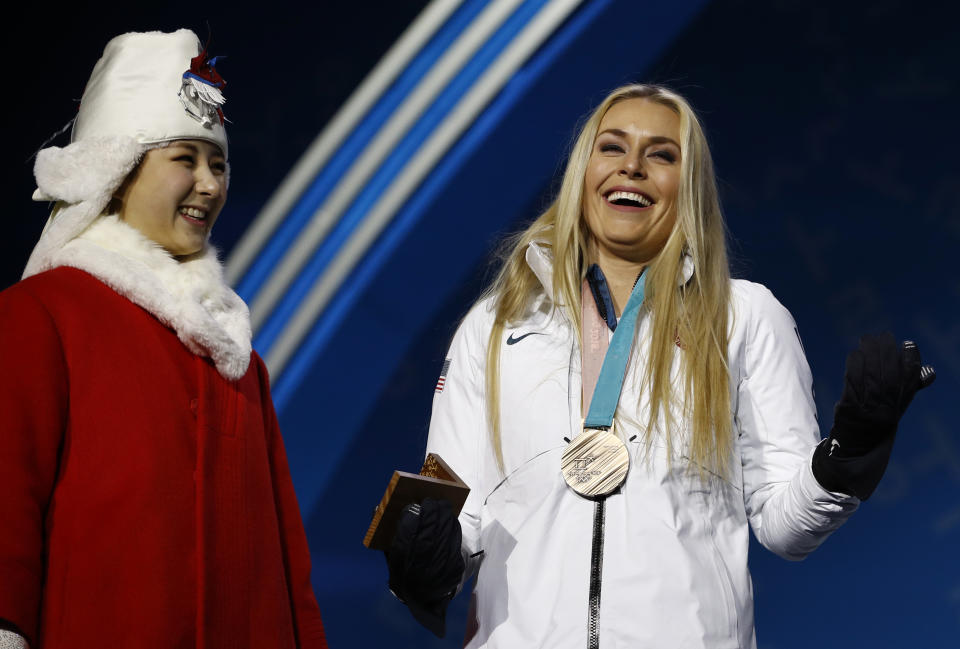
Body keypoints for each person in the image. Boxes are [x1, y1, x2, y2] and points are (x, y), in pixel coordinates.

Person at [385, 84, 933, 648]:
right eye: (612, 148)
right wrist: (424, 557)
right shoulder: (497, 326)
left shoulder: (742, 317)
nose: (632, 167)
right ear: (584, 171)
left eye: (662, 154)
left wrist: (850, 454)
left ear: (687, 185)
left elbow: (785, 527)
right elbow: (463, 519)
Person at [0, 30, 327, 649]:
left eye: (219, 163)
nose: (210, 184)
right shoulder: (40, 318)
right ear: (117, 171)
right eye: (185, 158)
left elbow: (289, 572)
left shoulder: (238, 359)